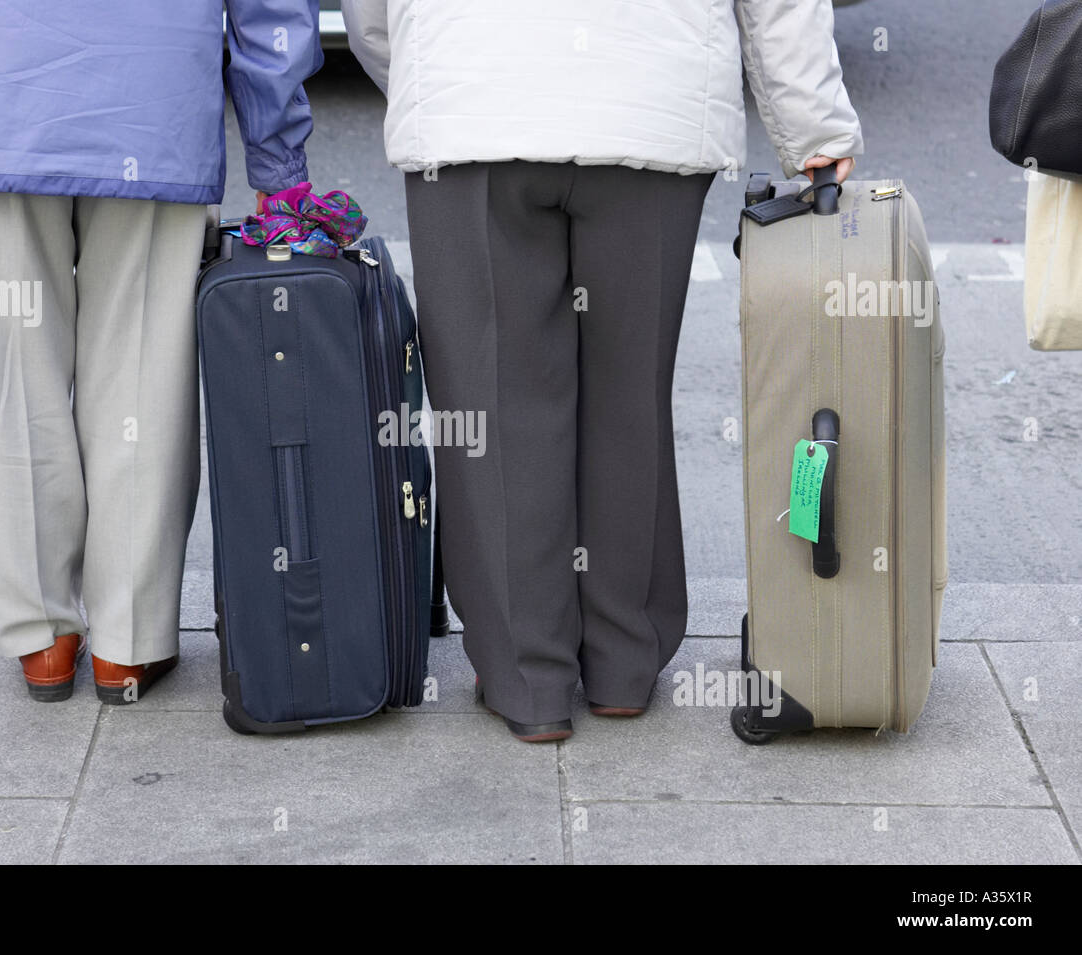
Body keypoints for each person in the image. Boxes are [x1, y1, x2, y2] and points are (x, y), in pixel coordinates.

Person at [341, 0, 863, 742]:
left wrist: (431, 75)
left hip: (476, 92)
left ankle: (528, 676)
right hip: (650, 98)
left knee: (492, 410)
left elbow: (370, 18)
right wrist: (815, 128)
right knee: (629, 395)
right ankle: (622, 660)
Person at [0, 1, 323, 703]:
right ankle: (127, 642)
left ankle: (43, 639)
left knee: (10, 379)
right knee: (145, 378)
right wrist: (277, 153)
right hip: (154, 102)